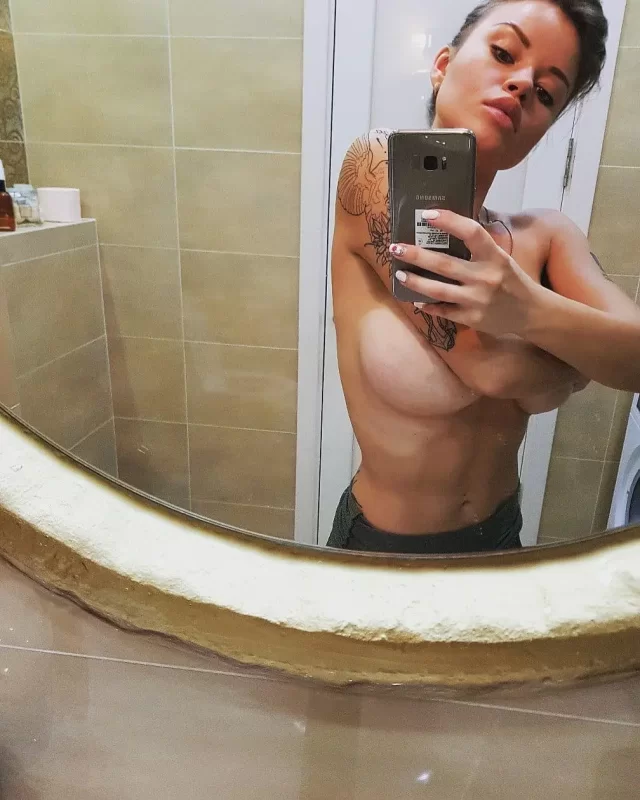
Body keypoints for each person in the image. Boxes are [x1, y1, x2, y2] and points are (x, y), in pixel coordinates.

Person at [328, 0, 640, 554]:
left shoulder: (547, 234)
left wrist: (527, 310)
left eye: (547, 92)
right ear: (443, 65)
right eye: (503, 53)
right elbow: (492, 370)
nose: (521, 85)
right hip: (384, 551)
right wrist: (577, 364)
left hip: (502, 541)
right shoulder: (378, 164)